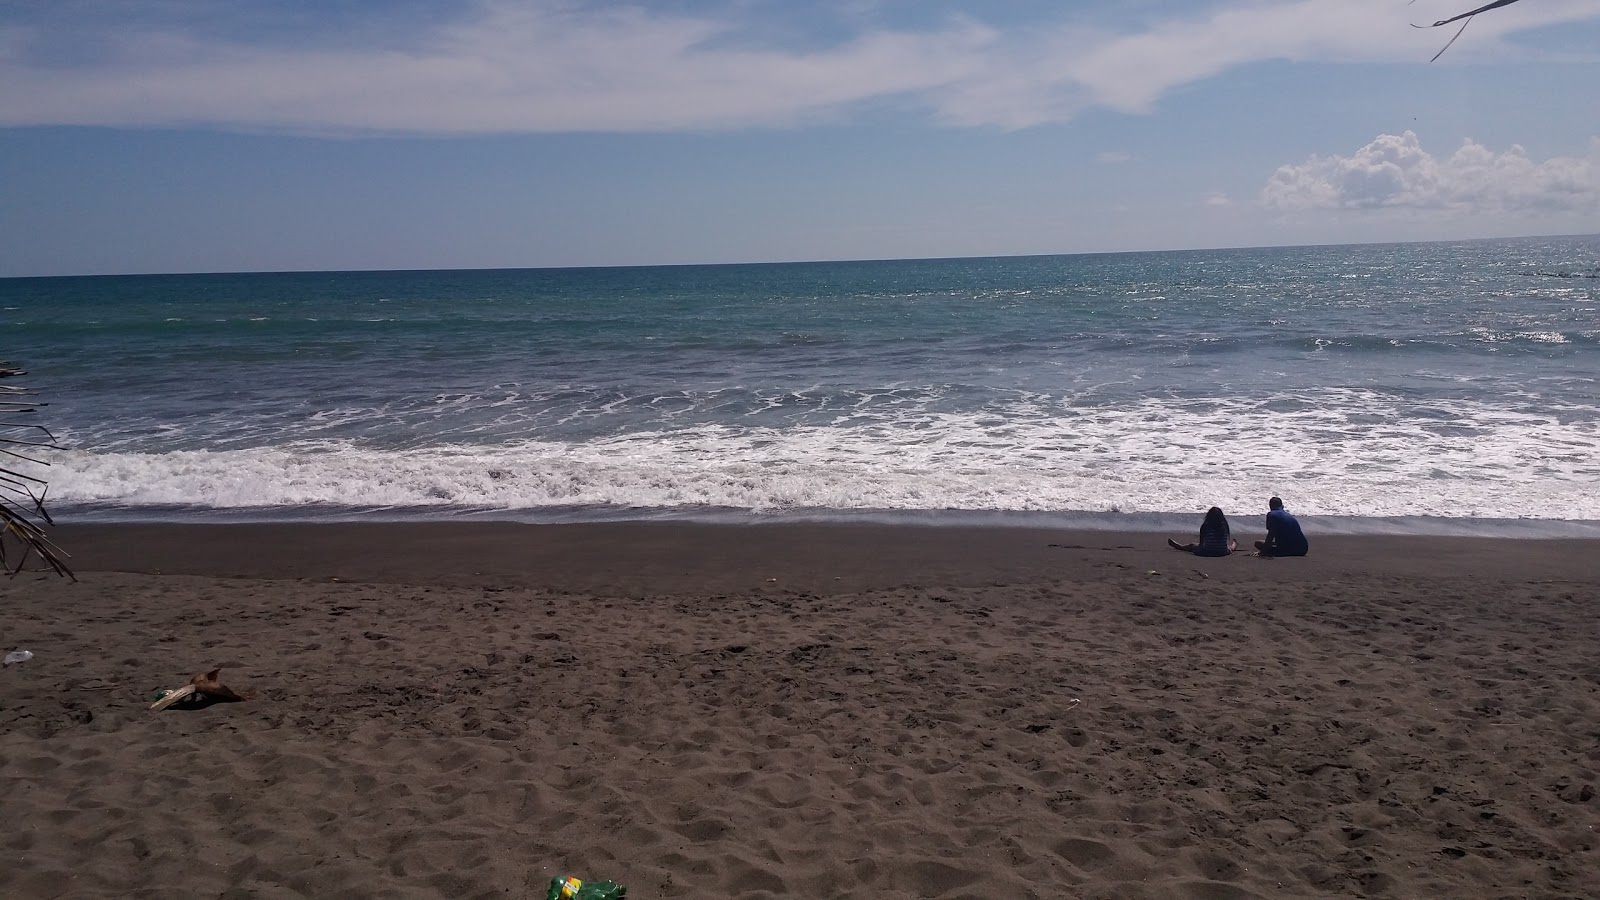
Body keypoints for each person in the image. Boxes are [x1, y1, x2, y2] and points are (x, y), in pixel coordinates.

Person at [1168, 506, 1237, 557]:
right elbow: (1224, 540)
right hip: (1222, 552)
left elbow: (1201, 544)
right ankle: (1234, 544)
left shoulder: (1205, 526)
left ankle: (1180, 547)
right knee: (1229, 547)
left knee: (1192, 545)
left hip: (1207, 552)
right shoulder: (1224, 526)